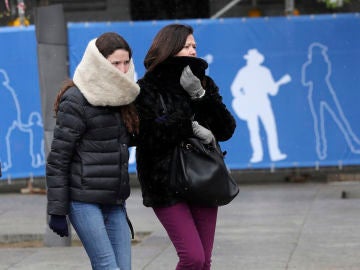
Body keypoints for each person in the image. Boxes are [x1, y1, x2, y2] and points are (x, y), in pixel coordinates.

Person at [135, 24, 236, 269]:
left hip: (204, 178)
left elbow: (225, 129)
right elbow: (147, 136)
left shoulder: (203, 83)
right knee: (193, 257)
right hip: (165, 183)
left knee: (204, 261)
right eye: (186, 46)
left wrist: (200, 96)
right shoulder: (146, 88)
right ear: (169, 49)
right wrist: (187, 126)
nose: (192, 51)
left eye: (194, 46)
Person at [46, 32, 140, 270]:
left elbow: (128, 141)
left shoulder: (125, 98)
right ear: (99, 63)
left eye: (126, 62)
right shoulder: (76, 99)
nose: (122, 69)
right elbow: (58, 159)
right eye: (115, 63)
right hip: (83, 200)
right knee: (107, 266)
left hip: (114, 200)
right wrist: (57, 210)